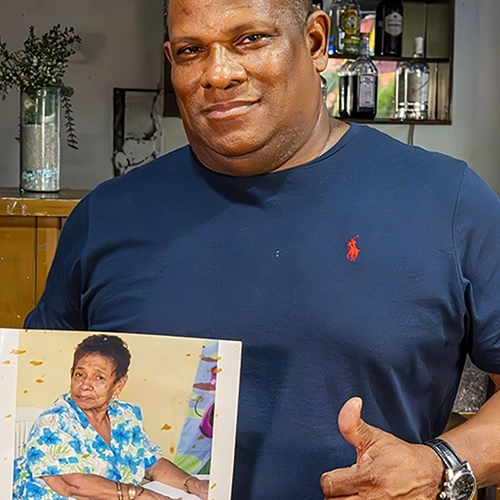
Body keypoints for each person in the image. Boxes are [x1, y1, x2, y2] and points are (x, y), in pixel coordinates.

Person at [23, 0, 500, 498]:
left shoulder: (447, 202)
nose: (218, 73)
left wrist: (441, 466)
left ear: (315, 42)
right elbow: (33, 394)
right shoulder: (105, 216)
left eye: (250, 39)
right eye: (191, 50)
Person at [12, 334, 208, 500]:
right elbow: (73, 485)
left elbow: (151, 462)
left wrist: (192, 484)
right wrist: (139, 494)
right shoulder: (54, 420)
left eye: (99, 377)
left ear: (118, 384)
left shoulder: (125, 416)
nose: (85, 385)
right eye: (79, 374)